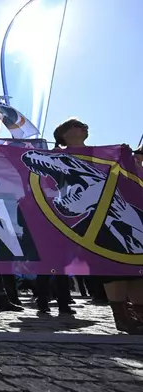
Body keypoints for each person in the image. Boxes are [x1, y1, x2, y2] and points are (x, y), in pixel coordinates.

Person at [54, 119, 143, 332]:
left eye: (84, 125)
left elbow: (124, 179)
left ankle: (140, 314)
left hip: (123, 216)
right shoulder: (58, 158)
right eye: (77, 125)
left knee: (136, 267)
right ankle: (122, 317)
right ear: (64, 134)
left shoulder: (104, 155)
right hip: (93, 222)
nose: (84, 127)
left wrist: (128, 159)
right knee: (113, 268)